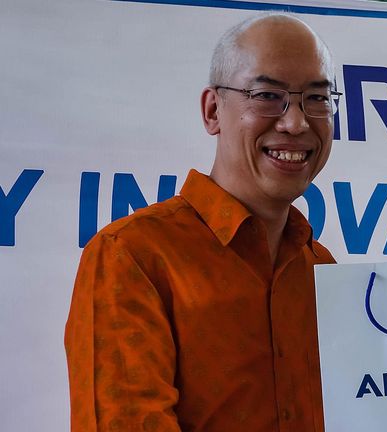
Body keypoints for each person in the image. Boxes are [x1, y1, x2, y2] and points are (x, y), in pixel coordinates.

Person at [64, 14, 340, 431]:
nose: (296, 122)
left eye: (316, 98)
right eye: (268, 95)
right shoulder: (133, 257)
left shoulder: (322, 268)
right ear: (213, 111)